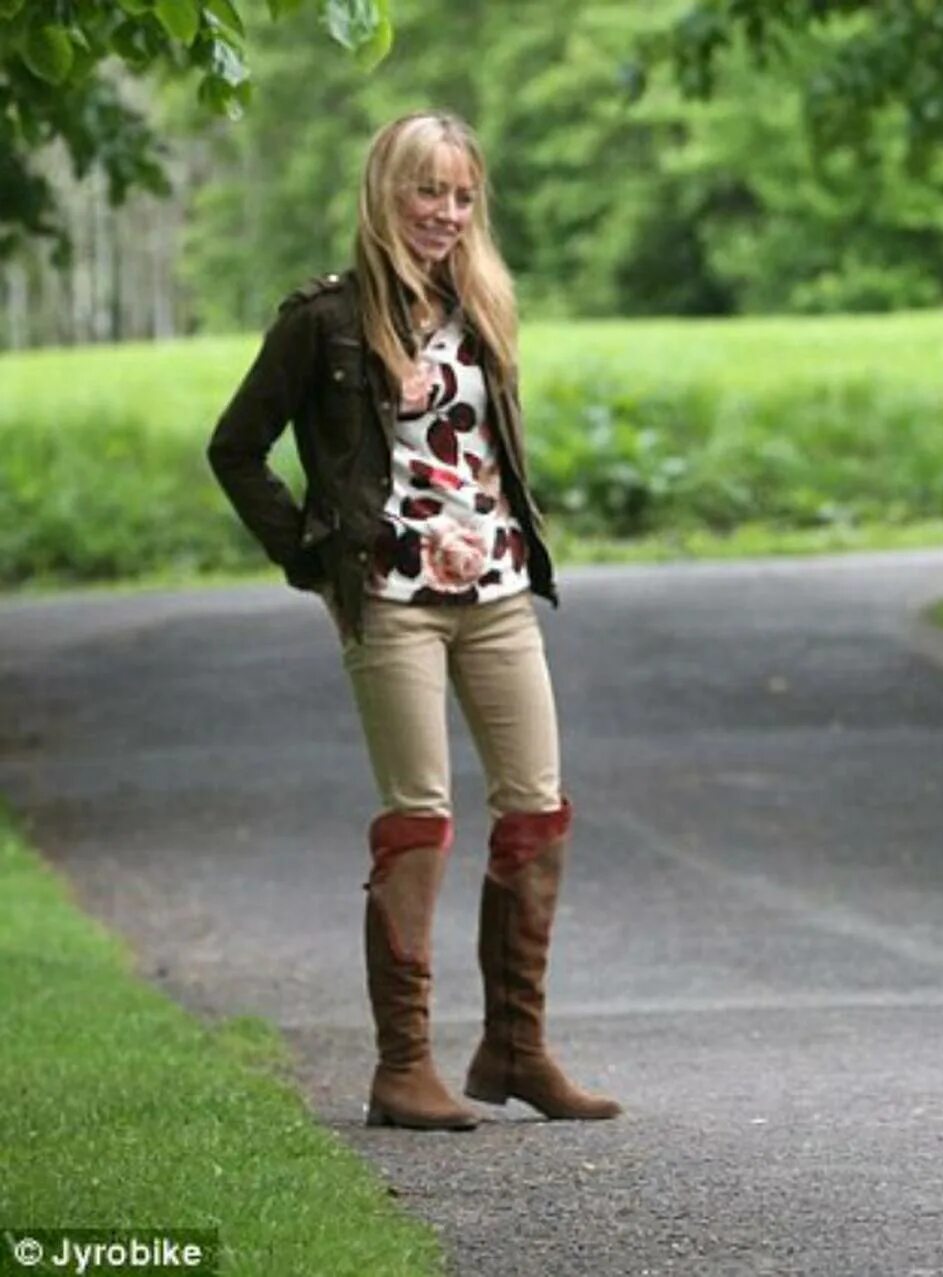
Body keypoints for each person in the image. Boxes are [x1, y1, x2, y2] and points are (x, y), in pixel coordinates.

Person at [208, 111, 620, 1129]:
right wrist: (307, 555)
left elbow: (483, 452)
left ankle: (515, 1047)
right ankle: (403, 1067)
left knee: (536, 807)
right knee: (420, 814)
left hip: (499, 594)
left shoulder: (481, 304)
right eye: (425, 191)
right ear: (386, 194)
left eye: (462, 194)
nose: (444, 212)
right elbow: (237, 446)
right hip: (391, 601)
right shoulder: (326, 319)